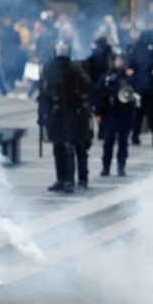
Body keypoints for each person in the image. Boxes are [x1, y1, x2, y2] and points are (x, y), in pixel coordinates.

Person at [38, 40, 94, 192]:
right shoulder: (49, 68)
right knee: (58, 146)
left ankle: (75, 179)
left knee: (75, 146)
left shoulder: (75, 68)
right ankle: (61, 179)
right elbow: (43, 94)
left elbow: (86, 85)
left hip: (73, 113)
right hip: (56, 114)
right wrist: (42, 115)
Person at [95, 53, 136, 176]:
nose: (119, 62)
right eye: (117, 60)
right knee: (108, 141)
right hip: (110, 113)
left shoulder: (129, 75)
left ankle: (121, 166)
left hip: (125, 113)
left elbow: (134, 92)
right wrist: (98, 112)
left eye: (121, 60)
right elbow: (98, 93)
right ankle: (106, 166)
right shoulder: (107, 76)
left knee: (123, 141)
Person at [127, 29, 153, 146]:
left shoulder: (134, 49)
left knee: (138, 113)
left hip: (138, 87)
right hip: (149, 87)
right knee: (151, 113)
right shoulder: (152, 50)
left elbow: (130, 66)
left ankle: (135, 136)